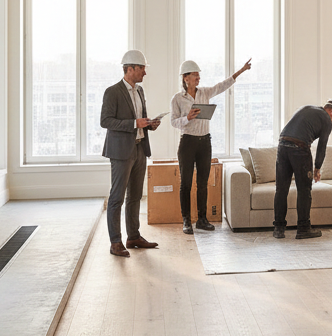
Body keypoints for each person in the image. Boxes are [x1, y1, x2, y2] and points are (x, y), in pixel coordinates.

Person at [171, 57, 251, 234]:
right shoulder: (177, 98)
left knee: (202, 183)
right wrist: (188, 118)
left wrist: (241, 70)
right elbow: (173, 122)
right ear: (185, 78)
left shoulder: (205, 93)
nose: (198, 78)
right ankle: (186, 221)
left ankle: (202, 219)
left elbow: (222, 85)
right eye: (195, 75)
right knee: (185, 183)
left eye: (199, 75)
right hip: (187, 143)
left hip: (204, 142)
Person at [101, 50, 162, 258]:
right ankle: (115, 241)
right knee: (117, 197)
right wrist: (134, 124)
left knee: (135, 195)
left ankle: (133, 236)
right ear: (130, 69)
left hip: (139, 148)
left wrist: (149, 124)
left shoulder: (140, 91)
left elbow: (140, 119)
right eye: (142, 68)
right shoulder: (112, 92)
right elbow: (105, 121)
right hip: (120, 151)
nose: (145, 72)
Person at [273, 99, 332, 240]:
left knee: (281, 189)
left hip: (282, 146)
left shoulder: (307, 108)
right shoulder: (325, 119)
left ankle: (278, 229)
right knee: (304, 190)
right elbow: (322, 146)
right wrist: (317, 168)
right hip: (299, 149)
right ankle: (304, 229)